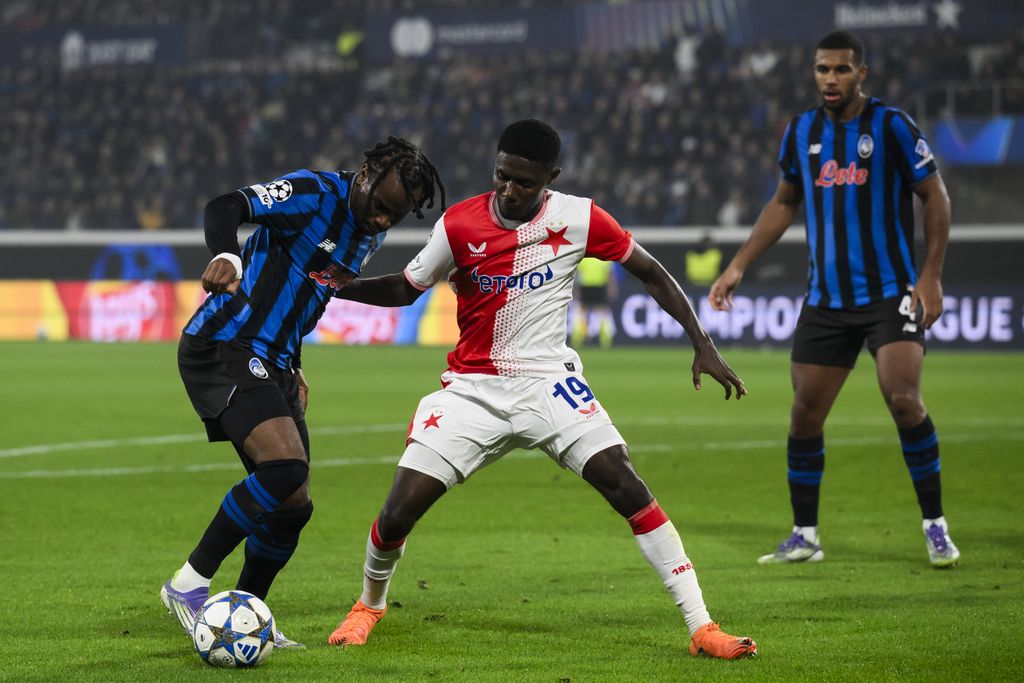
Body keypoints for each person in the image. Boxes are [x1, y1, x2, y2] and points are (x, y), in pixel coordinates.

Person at [327, 119, 757, 660]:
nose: (509, 190)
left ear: (550, 178)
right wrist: (336, 285)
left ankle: (702, 627)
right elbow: (405, 288)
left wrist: (702, 342)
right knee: (397, 512)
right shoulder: (458, 224)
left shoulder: (579, 218)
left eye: (524, 182)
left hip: (550, 383)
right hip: (474, 389)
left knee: (628, 486)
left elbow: (651, 272)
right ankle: (369, 605)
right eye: (501, 176)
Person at [161, 137, 446, 647]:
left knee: (293, 506)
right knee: (285, 468)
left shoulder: (368, 233)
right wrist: (227, 253)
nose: (383, 219)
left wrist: (294, 363)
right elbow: (225, 206)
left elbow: (309, 293)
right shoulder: (312, 193)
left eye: (395, 215)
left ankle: (246, 616)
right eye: (381, 206)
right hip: (225, 342)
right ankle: (188, 583)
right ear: (365, 174)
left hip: (277, 360)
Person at [709, 31, 958, 568]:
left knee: (903, 399)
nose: (830, 78)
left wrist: (931, 275)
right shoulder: (801, 131)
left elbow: (934, 195)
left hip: (890, 292)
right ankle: (805, 536)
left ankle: (935, 526)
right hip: (826, 301)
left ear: (860, 74)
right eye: (822, 69)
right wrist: (738, 264)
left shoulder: (891, 125)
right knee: (804, 414)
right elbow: (783, 203)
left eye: (841, 69)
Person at [571, 256, 618, 348]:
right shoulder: (604, 256)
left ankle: (579, 338)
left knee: (585, 311)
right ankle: (604, 339)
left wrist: (575, 289)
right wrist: (612, 287)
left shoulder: (584, 257)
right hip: (595, 286)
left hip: (590, 285)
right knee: (598, 311)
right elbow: (610, 274)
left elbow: (577, 275)